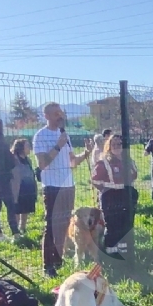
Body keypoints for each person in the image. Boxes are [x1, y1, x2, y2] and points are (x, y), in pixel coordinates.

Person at [32, 102, 91, 277]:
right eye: (56, 113)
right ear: (47, 116)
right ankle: (47, 265)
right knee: (51, 226)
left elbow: (72, 162)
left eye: (61, 113)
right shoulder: (40, 136)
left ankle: (58, 260)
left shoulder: (64, 135)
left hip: (68, 186)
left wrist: (86, 153)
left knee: (64, 225)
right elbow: (42, 164)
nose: (60, 116)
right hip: (52, 187)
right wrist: (58, 146)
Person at [91, 134, 137, 256]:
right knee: (112, 225)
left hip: (126, 194)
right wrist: (106, 190)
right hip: (110, 196)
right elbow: (95, 180)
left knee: (125, 224)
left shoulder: (128, 160)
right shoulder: (103, 161)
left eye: (119, 144)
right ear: (109, 146)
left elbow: (134, 175)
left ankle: (124, 251)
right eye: (114, 144)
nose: (117, 147)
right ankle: (111, 252)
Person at [9, 138, 38, 239]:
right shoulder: (13, 159)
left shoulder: (28, 160)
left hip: (28, 188)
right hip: (18, 188)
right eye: (27, 146)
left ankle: (23, 228)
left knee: (26, 209)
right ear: (21, 148)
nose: (30, 148)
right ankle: (15, 231)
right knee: (17, 210)